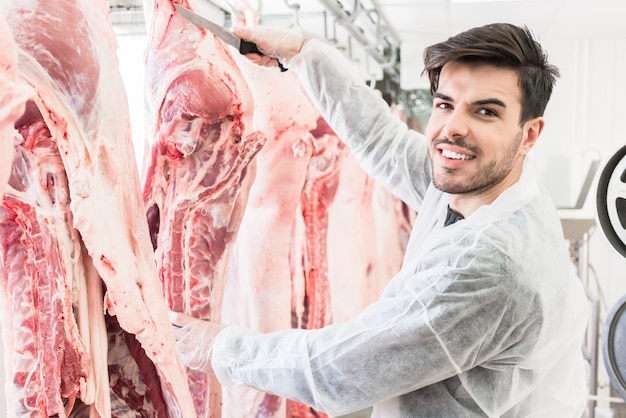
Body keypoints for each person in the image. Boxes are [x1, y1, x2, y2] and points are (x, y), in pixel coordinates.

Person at [171, 23, 589, 417]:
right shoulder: (485, 185)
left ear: (529, 134)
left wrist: (218, 347)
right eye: (444, 104)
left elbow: (337, 371)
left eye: (485, 112)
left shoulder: (491, 267)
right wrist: (303, 54)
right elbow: (382, 141)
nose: (453, 128)